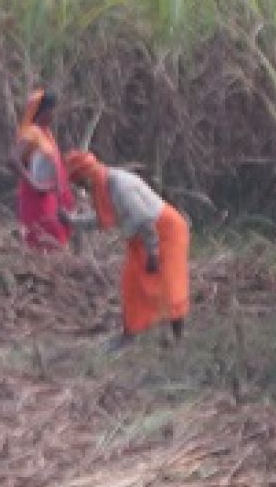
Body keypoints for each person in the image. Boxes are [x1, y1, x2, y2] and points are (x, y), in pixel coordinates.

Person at [64, 150, 190, 345]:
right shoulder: (103, 185)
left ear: (86, 175)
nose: (80, 187)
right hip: (142, 238)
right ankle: (129, 334)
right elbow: (103, 218)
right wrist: (71, 222)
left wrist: (153, 253)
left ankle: (178, 339)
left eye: (79, 182)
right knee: (131, 283)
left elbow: (144, 220)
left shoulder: (120, 186)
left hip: (165, 232)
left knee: (170, 284)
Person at [11, 87, 74, 251]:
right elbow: (13, 159)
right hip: (37, 199)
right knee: (43, 238)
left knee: (55, 238)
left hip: (49, 196)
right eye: (52, 110)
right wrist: (35, 185)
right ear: (43, 111)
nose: (54, 114)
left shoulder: (46, 133)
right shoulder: (32, 133)